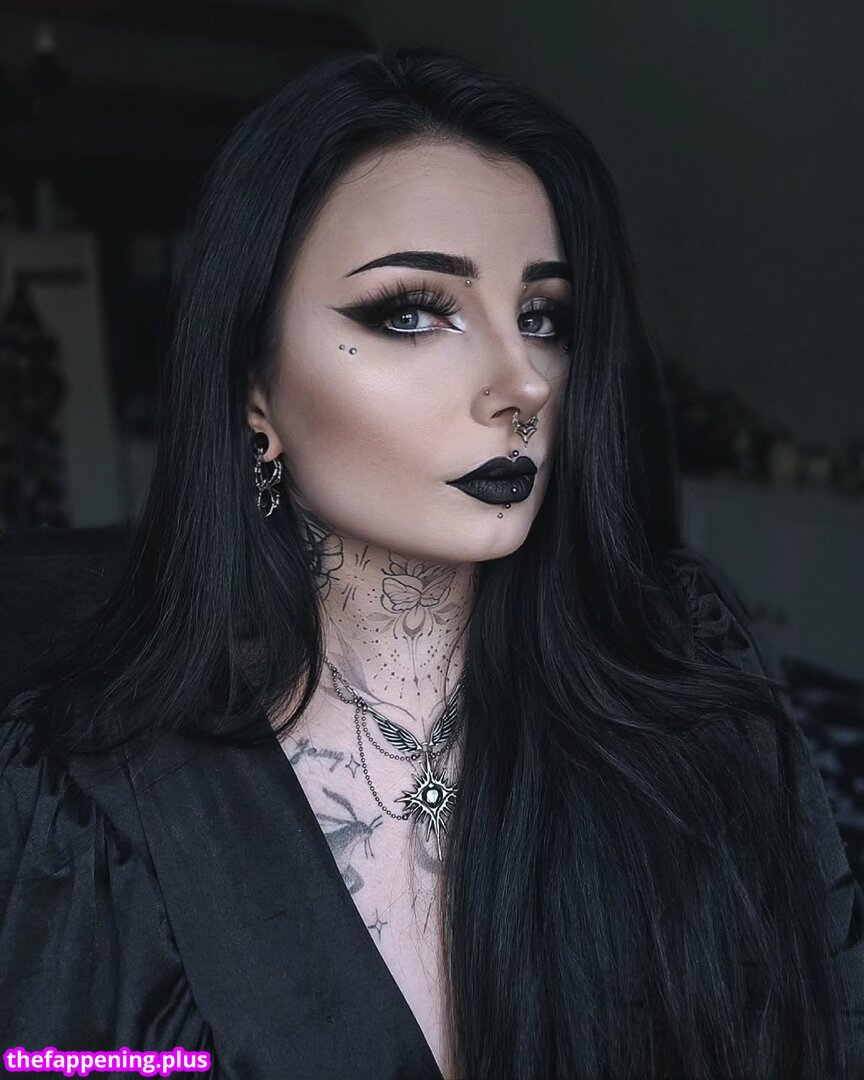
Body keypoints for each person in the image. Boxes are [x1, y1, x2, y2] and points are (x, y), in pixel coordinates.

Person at [1, 45, 862, 1080]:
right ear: (251, 388)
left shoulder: (695, 696)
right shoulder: (86, 807)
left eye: (543, 318)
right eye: (410, 312)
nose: (523, 381)